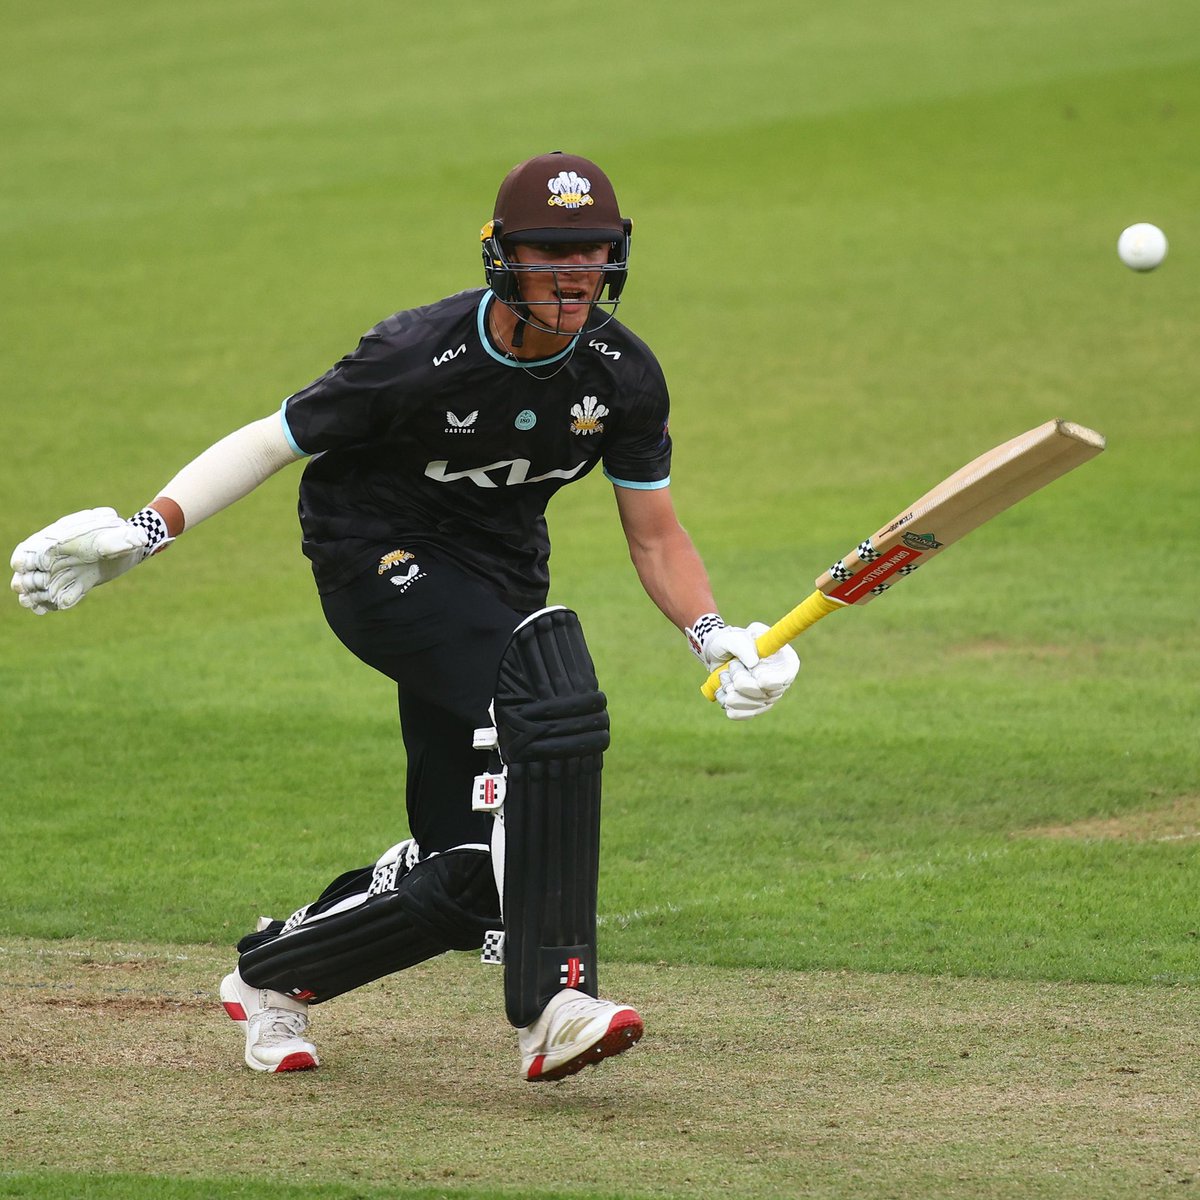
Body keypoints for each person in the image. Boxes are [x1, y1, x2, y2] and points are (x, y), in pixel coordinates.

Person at [10, 152, 800, 1082]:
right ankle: (555, 1004)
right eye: (550, 254)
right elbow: (272, 440)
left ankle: (272, 976)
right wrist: (149, 530)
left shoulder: (623, 374)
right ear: (502, 256)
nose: (575, 273)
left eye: (591, 251)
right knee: (551, 704)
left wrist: (714, 636)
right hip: (371, 558)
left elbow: (655, 534)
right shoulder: (415, 354)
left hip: (497, 584)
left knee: (467, 870)